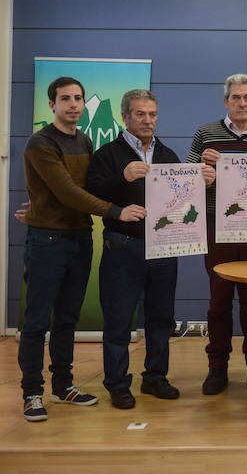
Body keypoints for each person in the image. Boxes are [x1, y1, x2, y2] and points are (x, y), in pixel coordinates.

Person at [19, 77, 146, 422]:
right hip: (47, 240)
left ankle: (63, 385)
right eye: (65, 99)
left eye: (77, 98)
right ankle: (32, 392)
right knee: (35, 321)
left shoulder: (84, 140)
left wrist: (36, 202)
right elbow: (67, 192)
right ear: (52, 105)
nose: (74, 104)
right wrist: (116, 211)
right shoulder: (40, 142)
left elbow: (87, 185)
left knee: (67, 319)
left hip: (80, 237)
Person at [86, 90, 215, 409]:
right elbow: (91, 193)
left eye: (152, 114)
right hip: (123, 245)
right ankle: (117, 383)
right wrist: (122, 177)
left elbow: (181, 197)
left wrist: (203, 182)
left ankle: (155, 377)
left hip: (164, 246)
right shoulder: (107, 154)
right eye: (140, 114)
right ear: (125, 116)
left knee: (161, 318)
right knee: (118, 319)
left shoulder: (168, 154)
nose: (147, 120)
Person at [187, 74, 247, 395]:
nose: (242, 103)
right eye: (235, 98)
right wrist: (203, 170)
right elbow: (187, 179)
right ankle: (217, 368)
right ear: (226, 101)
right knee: (219, 300)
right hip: (217, 226)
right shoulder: (206, 134)